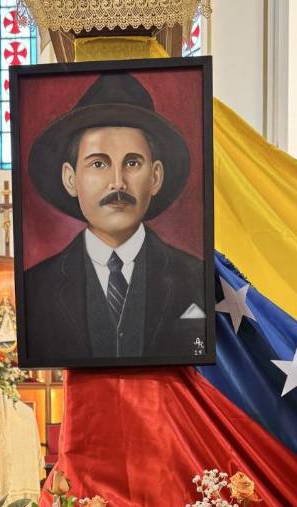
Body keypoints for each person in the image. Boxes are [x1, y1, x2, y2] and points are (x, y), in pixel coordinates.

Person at [23, 72, 206, 361]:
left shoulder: (195, 278)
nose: (118, 183)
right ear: (70, 179)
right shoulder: (35, 288)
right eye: (99, 164)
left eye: (132, 163)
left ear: (155, 177)